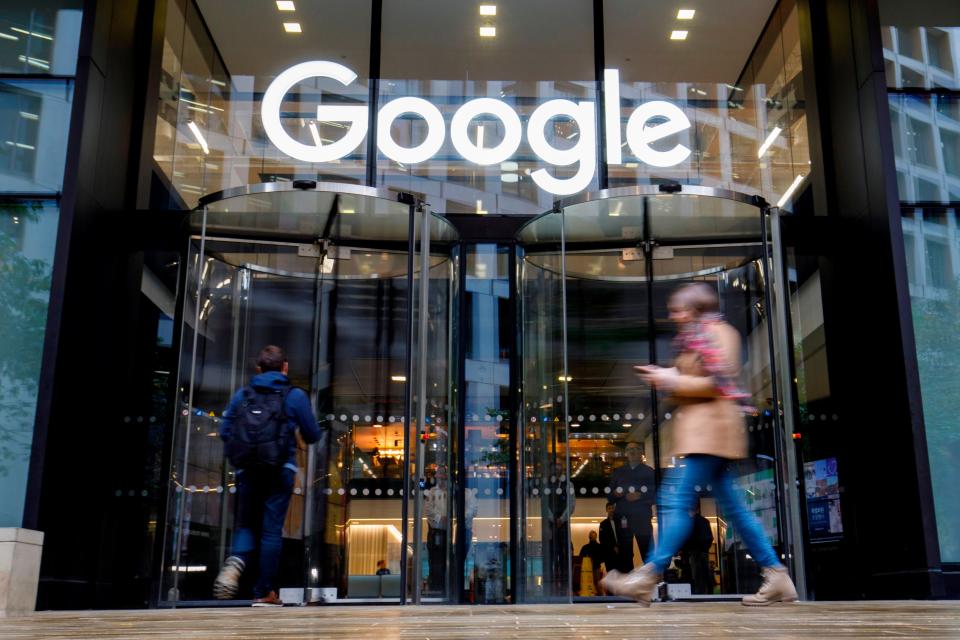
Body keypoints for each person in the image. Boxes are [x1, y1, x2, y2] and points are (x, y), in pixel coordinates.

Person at [601, 283, 798, 606]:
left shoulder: (720, 334)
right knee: (734, 508)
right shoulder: (695, 339)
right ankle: (777, 576)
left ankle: (648, 576)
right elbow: (691, 382)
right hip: (706, 435)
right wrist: (664, 376)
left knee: (674, 499)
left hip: (713, 434)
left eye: (678, 309)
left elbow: (718, 384)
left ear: (694, 310)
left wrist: (672, 379)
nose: (673, 316)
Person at [212, 345, 323, 607]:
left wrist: (242, 457)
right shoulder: (294, 396)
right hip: (279, 469)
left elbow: (225, 431)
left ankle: (236, 561)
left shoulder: (243, 395)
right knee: (272, 530)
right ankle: (264, 591)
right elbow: (313, 435)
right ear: (285, 367)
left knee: (247, 524)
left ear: (258, 367)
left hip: (248, 471)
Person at [606, 440, 656, 570]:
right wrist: (616, 494)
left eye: (636, 449)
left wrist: (641, 495)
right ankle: (627, 586)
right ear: (626, 454)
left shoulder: (649, 472)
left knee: (647, 552)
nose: (632, 452)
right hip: (623, 517)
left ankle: (650, 584)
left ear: (641, 453)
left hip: (642, 517)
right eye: (629, 449)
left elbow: (657, 494)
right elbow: (609, 496)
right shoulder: (618, 472)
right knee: (625, 554)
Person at [681, 505, 714, 595]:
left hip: (693, 551)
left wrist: (684, 549)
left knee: (696, 574)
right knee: (705, 572)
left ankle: (699, 592)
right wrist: (706, 548)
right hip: (703, 551)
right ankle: (710, 591)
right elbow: (710, 537)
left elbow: (687, 538)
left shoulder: (688, 522)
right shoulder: (705, 521)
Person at [598, 501, 628, 574]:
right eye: (609, 508)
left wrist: (619, 546)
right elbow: (602, 540)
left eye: (612, 508)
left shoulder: (621, 522)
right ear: (606, 510)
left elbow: (625, 535)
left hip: (622, 554)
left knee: (622, 574)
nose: (611, 510)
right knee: (612, 575)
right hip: (609, 555)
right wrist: (613, 547)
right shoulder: (603, 524)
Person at [578, 530, 605, 595]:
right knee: (591, 583)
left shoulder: (586, 547)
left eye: (593, 536)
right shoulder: (598, 547)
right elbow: (581, 558)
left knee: (595, 583)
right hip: (588, 569)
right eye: (592, 536)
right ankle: (599, 596)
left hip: (594, 568)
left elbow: (580, 557)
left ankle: (599, 595)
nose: (593, 537)